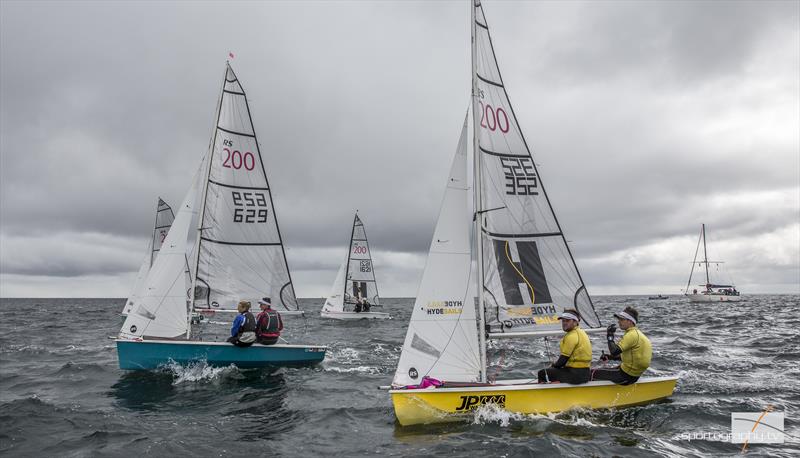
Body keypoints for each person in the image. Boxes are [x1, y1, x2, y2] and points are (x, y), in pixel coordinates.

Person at [592, 306, 652, 385]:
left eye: (622, 319)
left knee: (591, 372)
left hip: (626, 376)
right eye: (619, 319)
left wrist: (610, 335)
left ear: (630, 321)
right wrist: (610, 357)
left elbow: (614, 351)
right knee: (603, 369)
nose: (619, 322)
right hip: (633, 375)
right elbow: (632, 358)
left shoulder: (631, 335)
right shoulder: (638, 334)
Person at [537, 309, 592, 384]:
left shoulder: (572, 336)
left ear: (575, 322)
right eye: (563, 321)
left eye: (567, 321)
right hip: (584, 373)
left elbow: (563, 360)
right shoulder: (581, 332)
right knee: (556, 371)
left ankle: (546, 394)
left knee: (542, 373)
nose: (564, 323)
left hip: (576, 375)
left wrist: (554, 366)